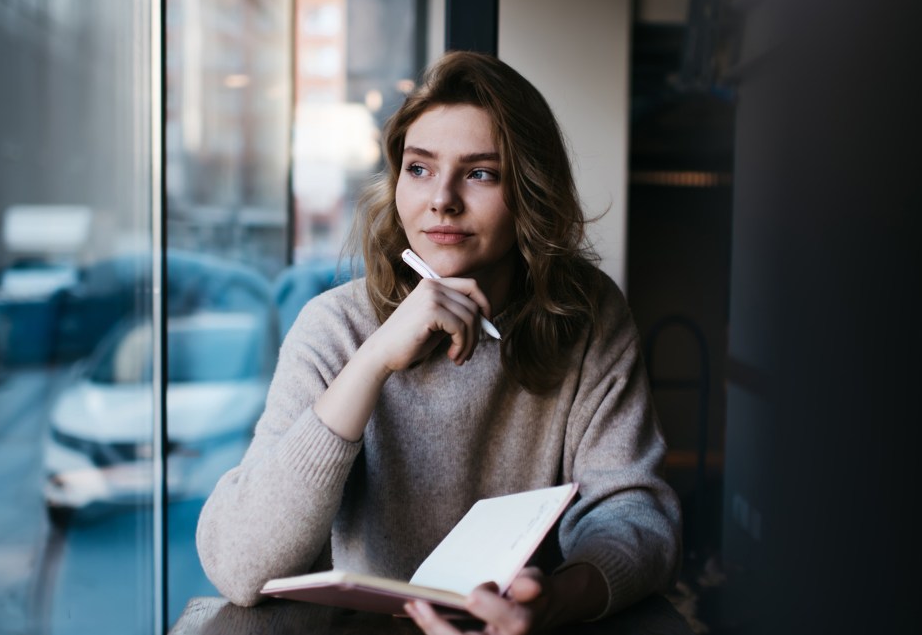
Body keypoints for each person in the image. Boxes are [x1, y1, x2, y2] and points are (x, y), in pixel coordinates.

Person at [196, 50, 682, 633]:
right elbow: (237, 565)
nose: (441, 199)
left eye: (480, 172)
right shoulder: (333, 326)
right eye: (419, 168)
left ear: (530, 190)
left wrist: (554, 600)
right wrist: (372, 361)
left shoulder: (587, 316)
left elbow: (637, 514)